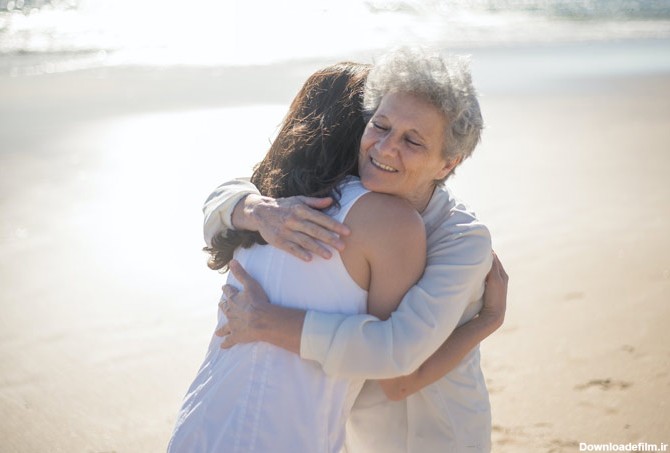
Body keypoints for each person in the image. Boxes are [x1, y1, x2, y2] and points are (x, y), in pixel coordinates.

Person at [208, 48, 507, 452]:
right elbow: (227, 194)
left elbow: (398, 368)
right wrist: (256, 210)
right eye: (380, 126)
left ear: (446, 164)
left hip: (436, 436)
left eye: (412, 141)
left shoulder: (462, 240)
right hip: (354, 432)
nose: (385, 148)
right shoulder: (353, 199)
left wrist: (488, 320)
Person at [168, 61, 431, 453]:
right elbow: (393, 366)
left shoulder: (263, 207)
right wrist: (486, 321)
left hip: (198, 427)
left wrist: (249, 207)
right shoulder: (386, 221)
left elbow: (217, 204)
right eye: (381, 123)